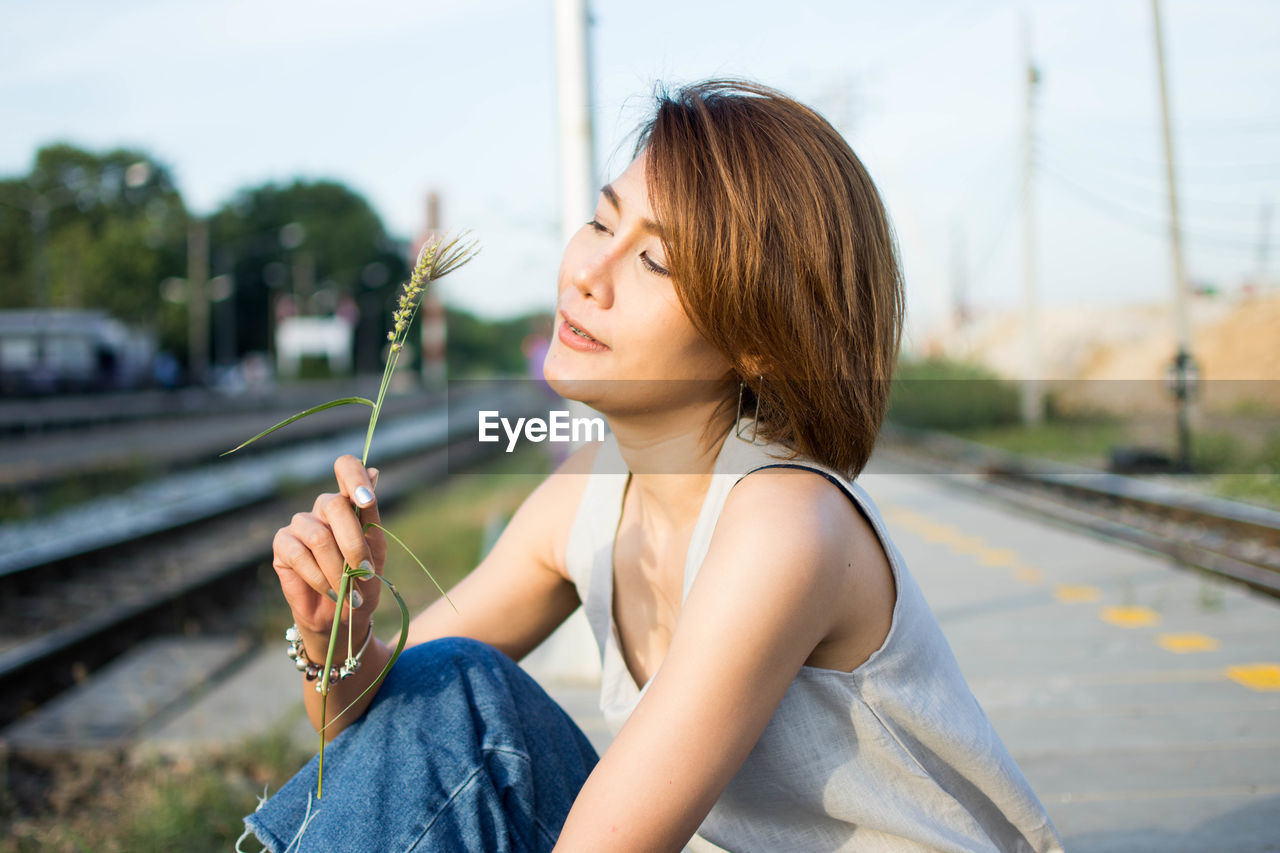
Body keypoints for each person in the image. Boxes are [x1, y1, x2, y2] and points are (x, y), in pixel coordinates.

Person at [242, 80, 1065, 853]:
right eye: (603, 225)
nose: (588, 275)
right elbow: (385, 726)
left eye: (656, 262)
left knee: (460, 686)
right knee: (446, 681)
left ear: (757, 338)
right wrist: (332, 633)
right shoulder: (587, 495)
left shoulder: (786, 523)